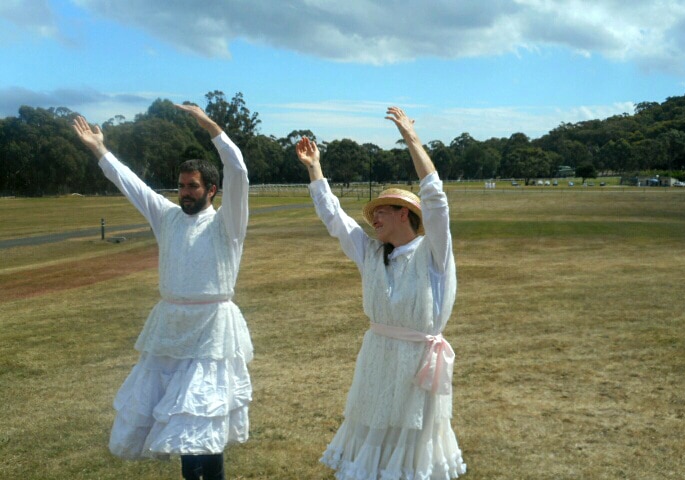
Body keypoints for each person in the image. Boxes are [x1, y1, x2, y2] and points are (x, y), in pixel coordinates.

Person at [73, 104, 253, 480]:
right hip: (170, 327)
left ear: (212, 190)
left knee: (201, 416)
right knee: (181, 418)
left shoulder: (228, 224)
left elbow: (237, 169)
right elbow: (132, 185)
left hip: (212, 330)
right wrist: (99, 150)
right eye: (181, 186)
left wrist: (210, 126)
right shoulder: (167, 216)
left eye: (193, 186)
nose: (184, 193)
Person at [295, 107, 466, 479]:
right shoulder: (370, 253)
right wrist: (315, 169)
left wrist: (412, 140)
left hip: (416, 366)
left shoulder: (434, 254)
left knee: (410, 450)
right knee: (373, 441)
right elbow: (334, 216)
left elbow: (436, 201)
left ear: (405, 214)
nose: (373, 219)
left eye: (381, 212)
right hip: (376, 361)